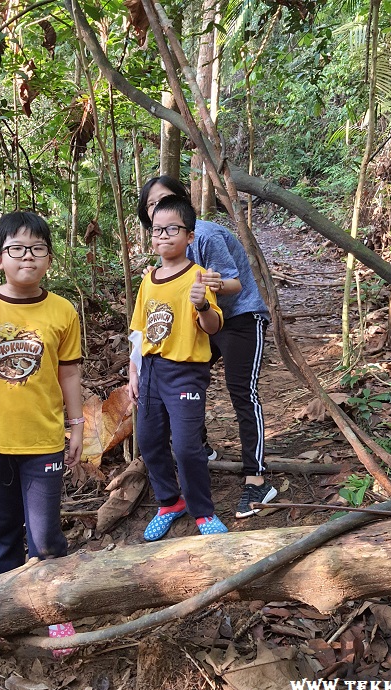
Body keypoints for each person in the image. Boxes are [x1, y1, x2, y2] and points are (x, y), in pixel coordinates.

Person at [0, 211, 82, 654]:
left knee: (46, 537)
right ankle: (7, 615)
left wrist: (78, 424)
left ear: (49, 257)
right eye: (17, 249)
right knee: (3, 532)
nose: (27, 257)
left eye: (37, 248)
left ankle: (58, 614)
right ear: (1, 257)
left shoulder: (62, 309)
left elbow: (69, 374)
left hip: (43, 437)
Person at [138, 176, 277, 519]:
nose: (160, 210)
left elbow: (236, 282)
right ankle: (199, 450)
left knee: (241, 390)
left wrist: (212, 285)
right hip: (200, 321)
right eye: (152, 206)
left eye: (166, 200)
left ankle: (257, 479)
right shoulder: (163, 252)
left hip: (239, 317)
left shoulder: (206, 234)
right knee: (185, 375)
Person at [128, 195, 228, 541]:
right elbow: (139, 330)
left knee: (186, 446)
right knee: (150, 441)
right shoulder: (148, 279)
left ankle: (203, 511)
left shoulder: (198, 275)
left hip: (185, 370)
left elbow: (213, 326)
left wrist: (201, 305)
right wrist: (133, 371)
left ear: (189, 235)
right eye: (157, 230)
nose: (163, 236)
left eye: (173, 228)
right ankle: (170, 502)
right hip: (151, 370)